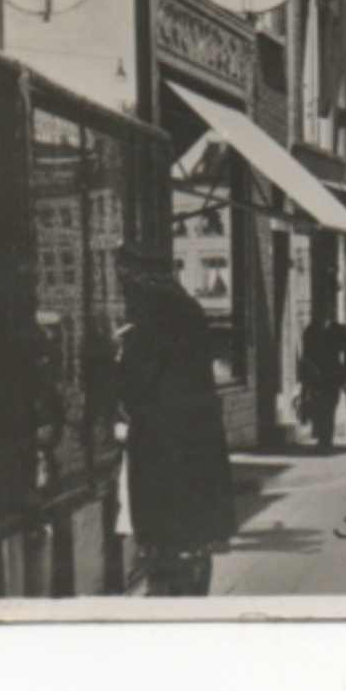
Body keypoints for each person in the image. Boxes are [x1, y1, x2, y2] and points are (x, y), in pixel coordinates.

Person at [114, 247, 236, 596]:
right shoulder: (188, 309)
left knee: (167, 541)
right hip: (197, 444)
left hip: (165, 447)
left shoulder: (152, 320)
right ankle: (192, 592)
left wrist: (117, 361)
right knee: (193, 537)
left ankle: (173, 604)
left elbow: (137, 384)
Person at [299, 309, 346, 452]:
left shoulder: (340, 330)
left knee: (330, 406)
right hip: (316, 376)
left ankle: (326, 439)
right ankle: (321, 437)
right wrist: (308, 373)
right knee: (319, 407)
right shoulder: (310, 331)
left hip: (333, 375)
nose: (324, 315)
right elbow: (306, 355)